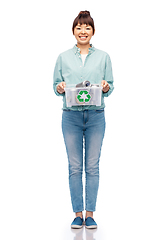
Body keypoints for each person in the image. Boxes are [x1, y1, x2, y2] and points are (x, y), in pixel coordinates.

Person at [53, 10, 114, 229]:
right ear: (73, 31)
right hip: (71, 117)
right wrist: (59, 87)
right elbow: (56, 85)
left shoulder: (103, 57)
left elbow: (111, 85)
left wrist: (106, 87)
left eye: (87, 27)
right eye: (79, 27)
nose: (83, 31)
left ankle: (90, 214)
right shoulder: (63, 57)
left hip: (96, 116)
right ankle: (77, 214)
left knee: (92, 166)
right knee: (75, 166)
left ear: (93, 31)